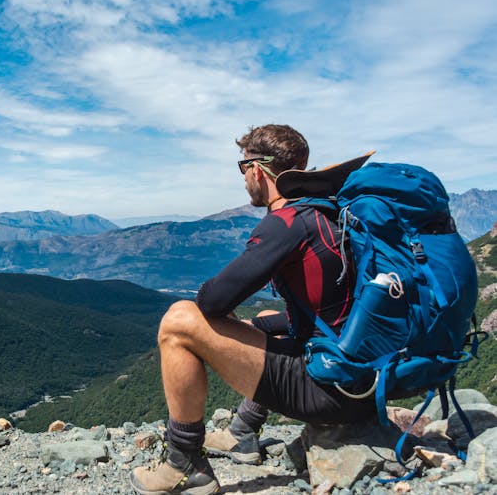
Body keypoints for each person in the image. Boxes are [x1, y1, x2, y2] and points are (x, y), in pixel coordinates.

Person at [130, 124, 376, 495]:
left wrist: (205, 297)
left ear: (257, 169)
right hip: (363, 384)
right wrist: (255, 325)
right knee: (261, 323)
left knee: (179, 321)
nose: (244, 180)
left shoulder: (286, 223)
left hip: (330, 391)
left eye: (242, 169)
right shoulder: (331, 214)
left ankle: (183, 465)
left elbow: (212, 302)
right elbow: (324, 313)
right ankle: (242, 431)